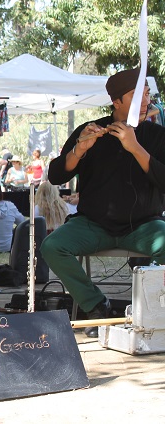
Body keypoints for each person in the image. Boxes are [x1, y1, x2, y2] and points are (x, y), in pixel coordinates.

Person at [40, 67, 165, 338]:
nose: (145, 102)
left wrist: (134, 147)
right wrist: (79, 150)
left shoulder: (156, 136)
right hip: (94, 224)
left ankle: (155, 310)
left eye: (147, 95)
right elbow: (56, 174)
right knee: (52, 246)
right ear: (116, 102)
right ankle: (96, 305)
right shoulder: (92, 130)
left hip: (144, 227)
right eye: (137, 96)